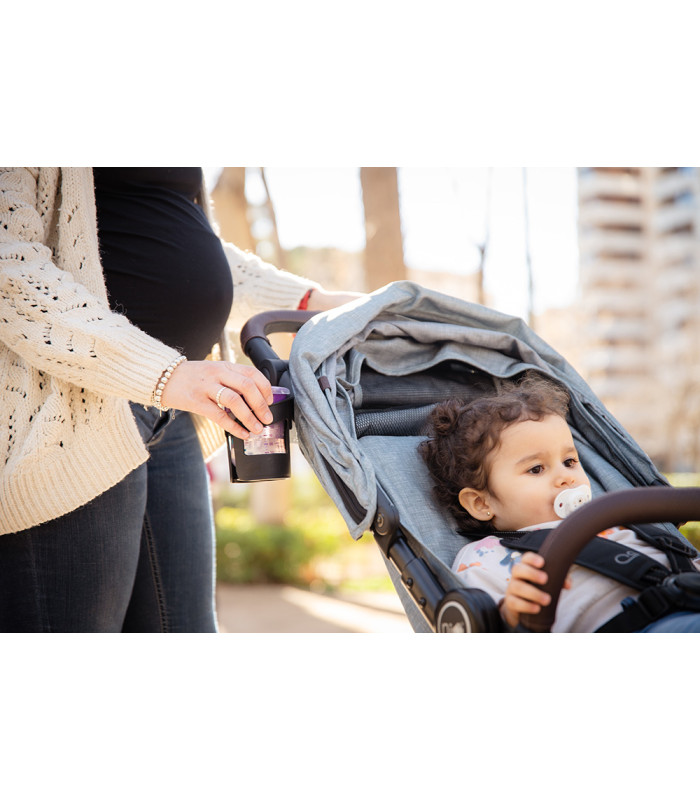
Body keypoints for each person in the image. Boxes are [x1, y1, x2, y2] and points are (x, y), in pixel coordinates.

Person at [0, 167, 362, 633]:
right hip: (69, 415)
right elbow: (11, 264)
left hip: (174, 413)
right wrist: (165, 374)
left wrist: (313, 299)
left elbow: (169, 233)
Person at [419, 372, 700, 633]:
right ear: (481, 503)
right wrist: (511, 610)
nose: (565, 477)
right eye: (536, 469)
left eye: (569, 461)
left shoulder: (619, 520)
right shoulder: (483, 557)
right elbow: (482, 625)